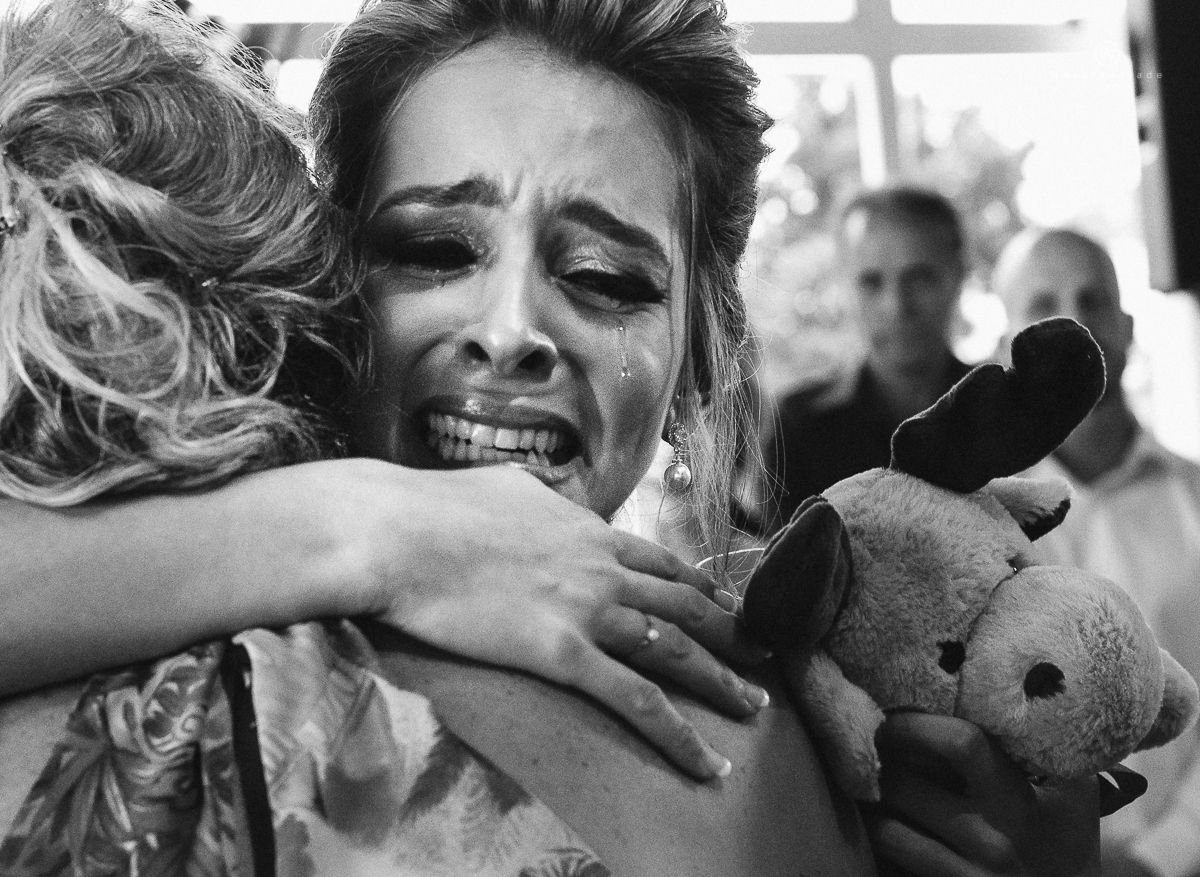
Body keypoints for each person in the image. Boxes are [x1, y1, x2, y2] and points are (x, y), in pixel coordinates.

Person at [0, 2, 1101, 874]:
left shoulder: (829, 736)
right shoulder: (152, 678)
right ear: (327, 289)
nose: (513, 332)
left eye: (605, 278)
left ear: (699, 363)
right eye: (434, 249)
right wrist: (368, 530)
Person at [994, 227, 1200, 877]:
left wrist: (1158, 858)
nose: (1074, 322)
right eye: (1043, 302)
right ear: (1007, 345)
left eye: (1094, 298)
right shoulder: (980, 523)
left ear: (1129, 325)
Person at [763, 185, 972, 528]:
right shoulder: (800, 428)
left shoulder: (1004, 408)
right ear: (845, 285)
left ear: (959, 275)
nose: (897, 306)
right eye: (871, 282)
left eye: (919, 278)